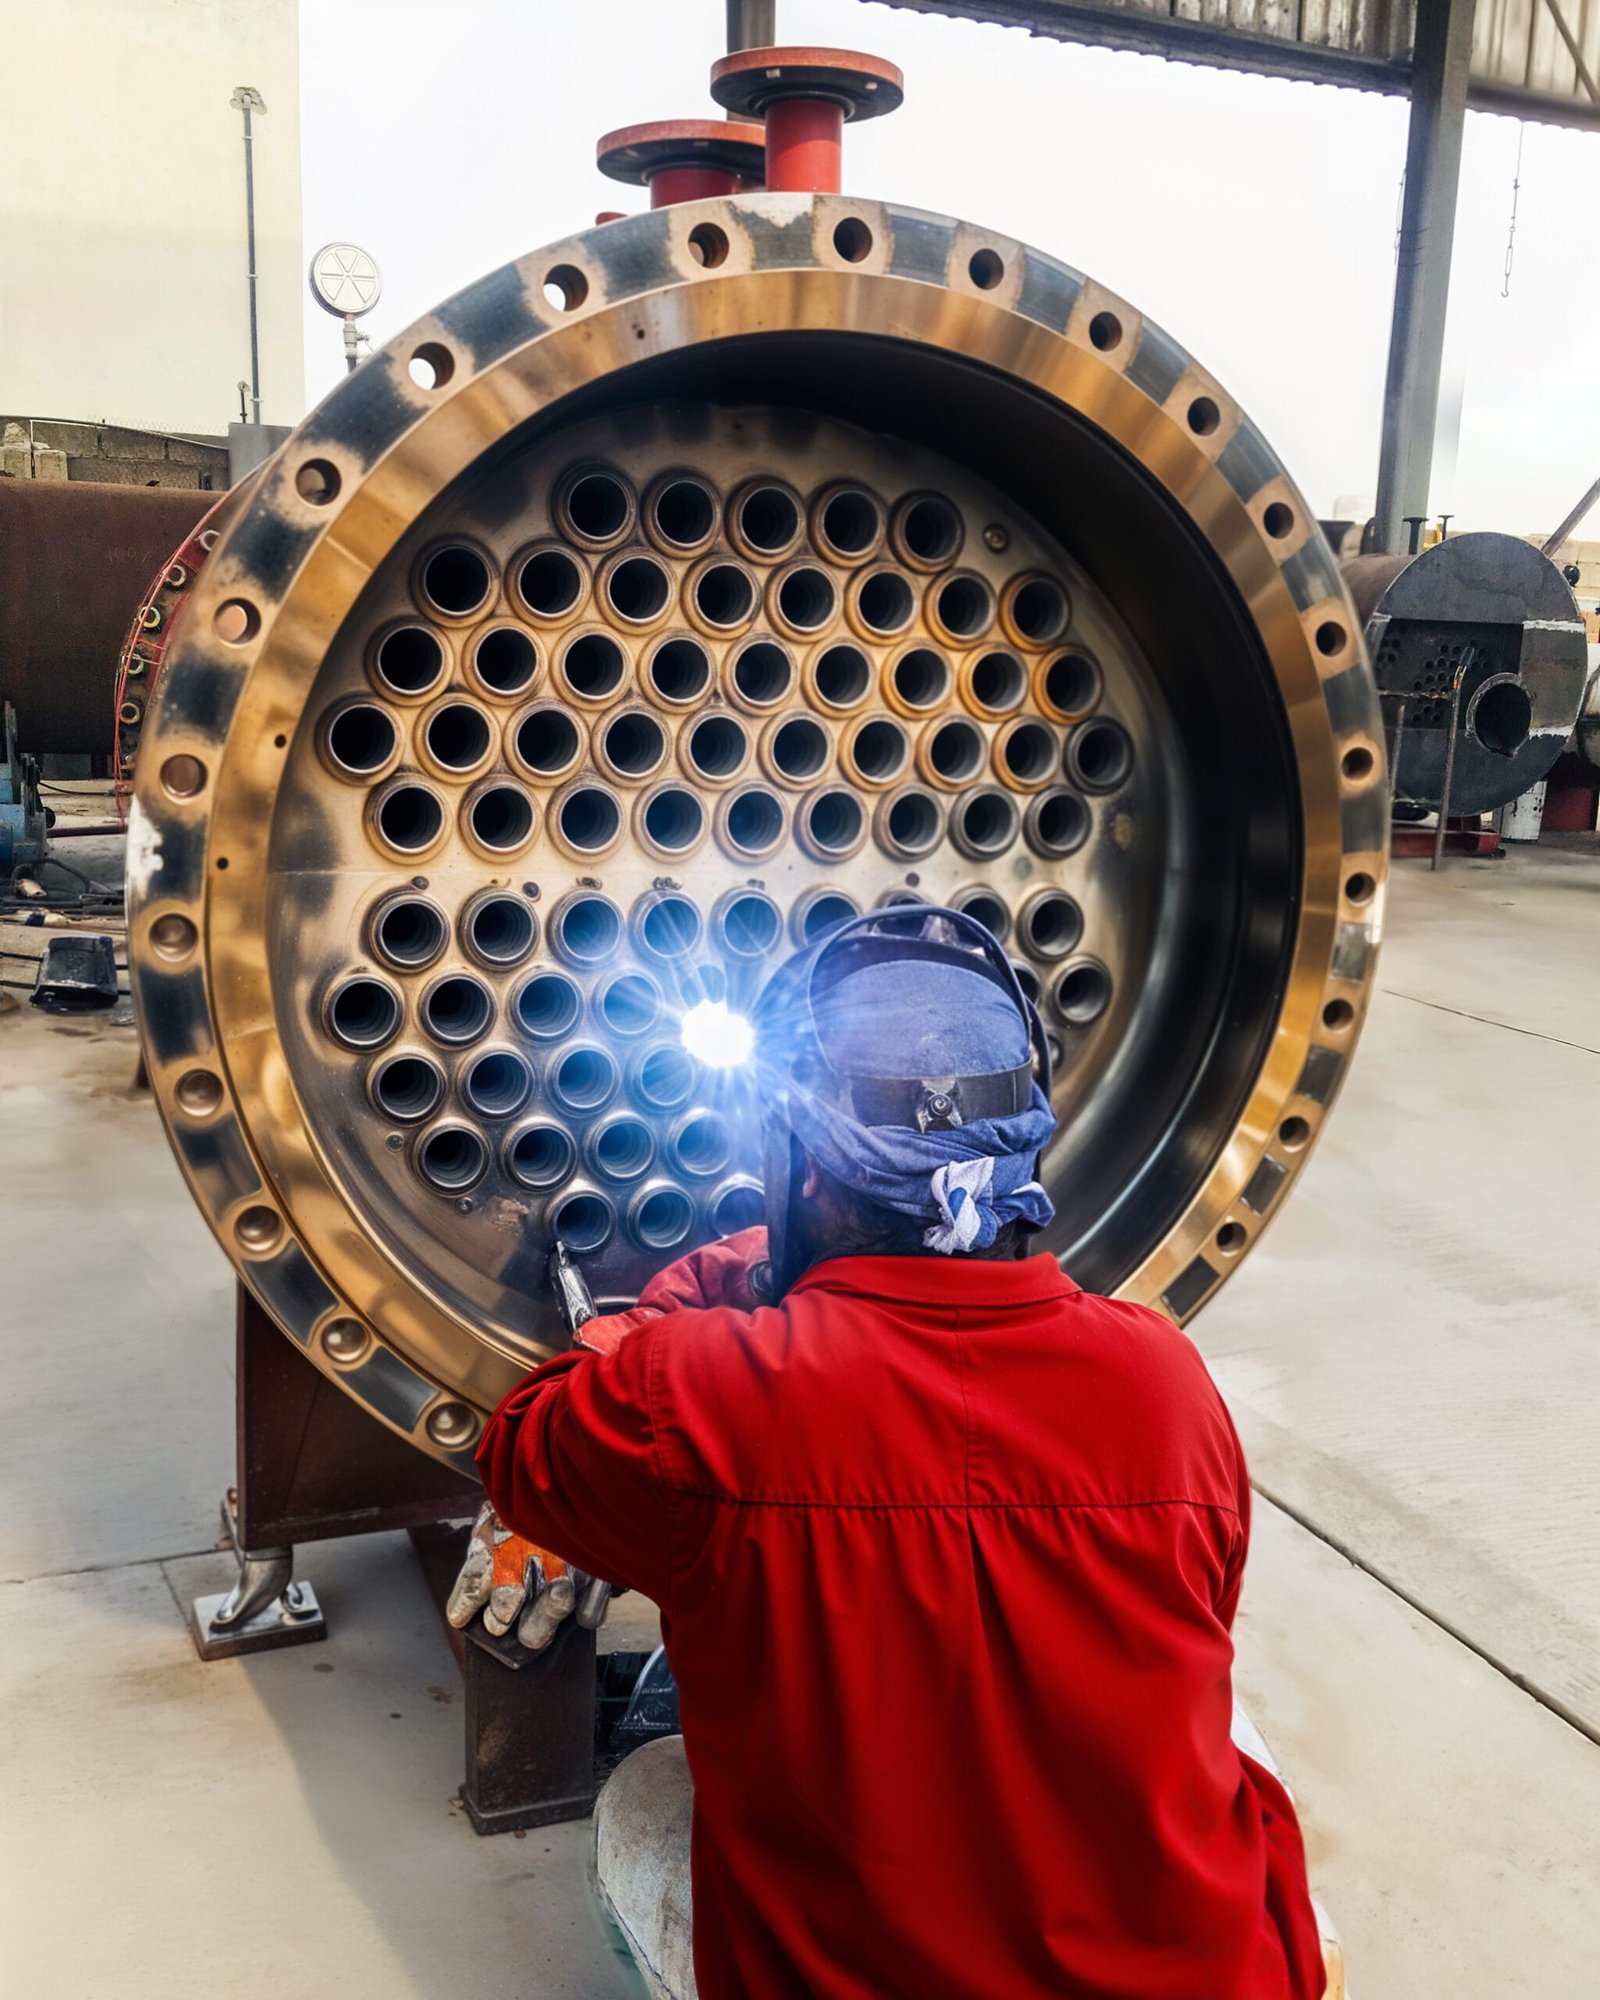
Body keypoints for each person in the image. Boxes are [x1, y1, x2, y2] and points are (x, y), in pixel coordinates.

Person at [462, 906, 1327, 1999]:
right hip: (1204, 1977)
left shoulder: (694, 1396)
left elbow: (524, 1448)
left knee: (641, 1799)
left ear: (805, 1169)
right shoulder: (1163, 1383)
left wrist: (677, 1302)